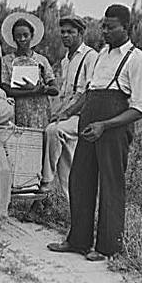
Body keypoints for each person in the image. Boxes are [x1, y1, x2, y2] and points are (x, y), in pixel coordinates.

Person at [47, 4, 142, 261]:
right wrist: (68, 113)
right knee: (80, 181)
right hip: (89, 125)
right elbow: (90, 93)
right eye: (103, 25)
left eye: (110, 27)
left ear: (126, 28)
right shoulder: (102, 55)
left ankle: (108, 247)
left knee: (110, 185)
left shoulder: (137, 60)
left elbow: (139, 108)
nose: (104, 31)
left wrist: (105, 125)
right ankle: (78, 241)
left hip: (113, 130)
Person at [40, 15, 97, 196]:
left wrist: (66, 114)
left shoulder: (90, 56)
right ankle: (70, 207)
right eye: (63, 32)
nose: (65, 36)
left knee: (53, 132)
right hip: (68, 110)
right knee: (67, 164)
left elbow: (89, 92)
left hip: (82, 114)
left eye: (70, 32)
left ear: (80, 33)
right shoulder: (66, 60)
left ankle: (46, 182)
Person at [0, 12, 58, 129]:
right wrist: (31, 91)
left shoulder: (41, 60)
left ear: (32, 36)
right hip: (17, 110)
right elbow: (6, 89)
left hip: (40, 111)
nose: (22, 39)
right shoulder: (6, 61)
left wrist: (42, 89)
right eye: (18, 36)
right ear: (13, 38)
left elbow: (55, 89)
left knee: (40, 141)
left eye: (25, 35)